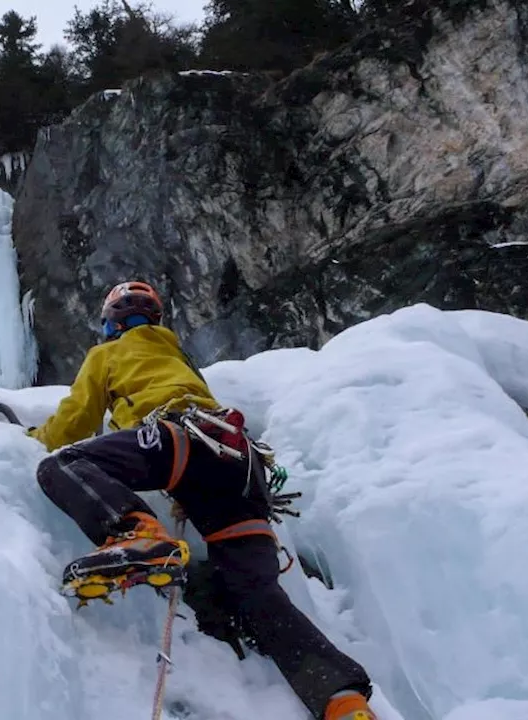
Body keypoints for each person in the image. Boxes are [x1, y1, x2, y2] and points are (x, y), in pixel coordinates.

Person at [26, 280, 378, 720]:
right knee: (256, 595)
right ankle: (343, 702)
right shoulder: (179, 359)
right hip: (240, 465)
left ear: (112, 324)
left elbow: (73, 425)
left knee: (61, 466)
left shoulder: (107, 354)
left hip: (178, 441)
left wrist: (29, 440)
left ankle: (135, 533)